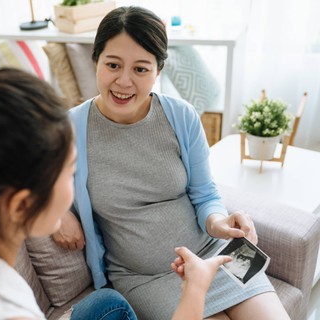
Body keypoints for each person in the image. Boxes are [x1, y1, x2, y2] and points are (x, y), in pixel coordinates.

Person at [0, 67, 228, 320]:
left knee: (104, 304)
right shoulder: (2, 308)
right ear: (21, 204)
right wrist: (194, 291)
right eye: (71, 170)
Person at [53, 6, 291, 320]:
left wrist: (220, 223)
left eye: (140, 69)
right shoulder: (70, 128)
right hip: (146, 277)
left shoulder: (181, 115)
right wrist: (58, 215)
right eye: (113, 65)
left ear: (158, 70)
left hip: (216, 253)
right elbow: (10, 171)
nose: (124, 81)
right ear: (96, 60)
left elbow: (205, 193)